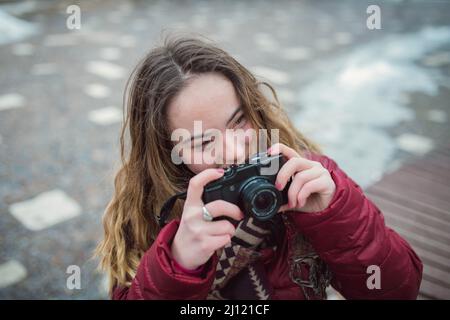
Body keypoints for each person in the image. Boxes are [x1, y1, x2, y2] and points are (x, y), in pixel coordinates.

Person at [95, 36, 423, 300]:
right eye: (202, 142)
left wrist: (336, 214)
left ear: (255, 108)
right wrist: (177, 264)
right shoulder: (151, 217)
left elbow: (399, 290)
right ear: (168, 152)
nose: (235, 151)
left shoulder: (303, 176)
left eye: (239, 122)